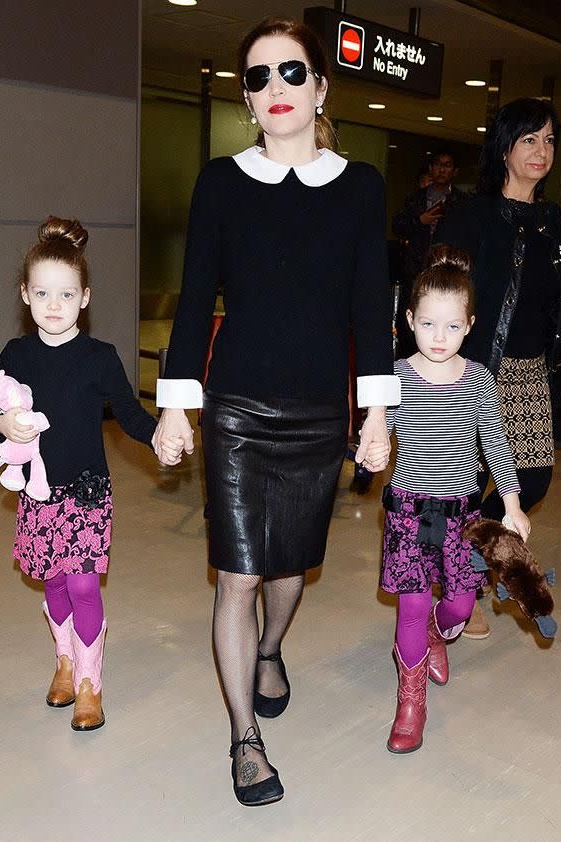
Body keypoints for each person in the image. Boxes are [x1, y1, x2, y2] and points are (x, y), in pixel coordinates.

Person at [152, 17, 399, 806]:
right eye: (258, 79)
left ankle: (269, 648)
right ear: (247, 101)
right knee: (237, 573)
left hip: (317, 412)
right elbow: (195, 304)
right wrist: (175, 406)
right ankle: (244, 741)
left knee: (289, 569)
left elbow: (371, 309)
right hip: (235, 410)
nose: (276, 90)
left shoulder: (361, 188)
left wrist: (378, 412)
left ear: (320, 87)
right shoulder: (221, 183)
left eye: (291, 73)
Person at [0, 217, 158, 732]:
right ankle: (63, 659)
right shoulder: (16, 355)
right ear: (25, 295)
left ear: (85, 297)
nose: (53, 304)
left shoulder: (100, 357)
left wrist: (160, 436)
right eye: (42, 293)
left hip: (85, 492)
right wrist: (0, 421)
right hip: (38, 493)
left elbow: (129, 414)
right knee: (53, 583)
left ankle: (89, 683)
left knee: (82, 584)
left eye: (66, 293)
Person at [368, 245, 530, 754]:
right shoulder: (392, 378)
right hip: (407, 516)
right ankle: (410, 699)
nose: (439, 338)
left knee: (459, 604)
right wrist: (370, 451)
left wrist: (512, 502)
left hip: (462, 517)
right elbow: (378, 435)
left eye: (453, 327)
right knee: (411, 606)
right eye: (429, 324)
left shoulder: (480, 381)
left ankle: (442, 632)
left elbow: (497, 444)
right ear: (410, 319)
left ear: (470, 324)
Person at [436, 98, 561, 638]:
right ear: (505, 147)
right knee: (465, 484)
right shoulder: (472, 215)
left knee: (532, 479)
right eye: (529, 139)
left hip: (530, 369)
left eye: (550, 141)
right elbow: (440, 291)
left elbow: (557, 301)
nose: (542, 151)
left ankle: (474, 550)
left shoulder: (551, 219)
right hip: (475, 368)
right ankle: (461, 584)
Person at [392, 149, 467, 357]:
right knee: (411, 327)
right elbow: (397, 225)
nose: (442, 169)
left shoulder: (463, 202)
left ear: (455, 171)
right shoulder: (415, 198)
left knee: (445, 325)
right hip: (416, 271)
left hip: (449, 274)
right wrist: (420, 221)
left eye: (447, 165)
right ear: (431, 169)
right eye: (438, 165)